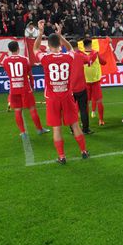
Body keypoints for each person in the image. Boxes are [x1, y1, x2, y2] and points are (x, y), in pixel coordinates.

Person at [33, 20, 89, 164]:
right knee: (75, 125)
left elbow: (35, 48)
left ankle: (62, 156)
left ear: (49, 45)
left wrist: (40, 33)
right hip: (67, 95)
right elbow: (71, 48)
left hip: (52, 98)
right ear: (59, 43)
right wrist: (60, 35)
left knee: (56, 128)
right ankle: (84, 151)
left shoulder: (45, 58)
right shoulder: (68, 56)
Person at [2, 41, 50, 140]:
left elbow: (8, 73)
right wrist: (32, 85)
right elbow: (29, 74)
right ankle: (39, 129)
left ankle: (23, 132)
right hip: (25, 88)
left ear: (9, 50)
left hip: (13, 89)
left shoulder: (5, 61)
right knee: (32, 109)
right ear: (18, 48)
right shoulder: (25, 59)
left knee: (17, 111)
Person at [70, 39, 96, 135]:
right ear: (77, 46)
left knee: (71, 111)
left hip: (70, 89)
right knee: (83, 110)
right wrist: (94, 54)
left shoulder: (66, 56)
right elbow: (89, 62)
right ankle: (86, 129)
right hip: (81, 88)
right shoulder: (80, 55)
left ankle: (73, 129)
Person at [83, 38, 107, 126]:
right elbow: (104, 62)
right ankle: (101, 120)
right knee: (99, 101)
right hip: (95, 82)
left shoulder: (81, 55)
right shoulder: (96, 54)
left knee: (85, 103)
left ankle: (85, 121)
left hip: (85, 83)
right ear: (91, 45)